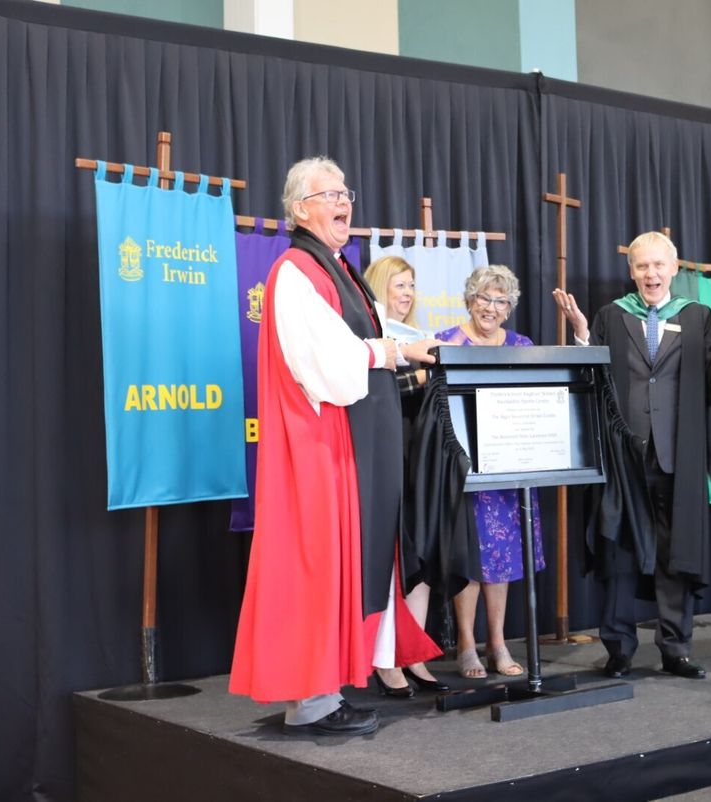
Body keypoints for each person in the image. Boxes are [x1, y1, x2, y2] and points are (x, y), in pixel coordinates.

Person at [229, 157, 443, 735]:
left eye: (347, 192)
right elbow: (326, 362)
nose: (345, 202)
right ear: (301, 209)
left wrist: (396, 349)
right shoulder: (297, 271)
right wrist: (392, 351)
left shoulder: (336, 267)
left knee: (336, 568)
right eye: (331, 195)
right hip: (317, 446)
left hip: (342, 442)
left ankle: (326, 693)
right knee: (315, 568)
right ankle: (312, 702)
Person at [552, 231, 711, 680]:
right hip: (623, 455)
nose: (650, 274)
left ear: (674, 268)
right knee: (618, 550)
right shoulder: (612, 315)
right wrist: (581, 334)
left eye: (658, 265)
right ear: (631, 271)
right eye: (642, 266)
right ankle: (619, 649)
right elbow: (590, 374)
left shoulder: (696, 317)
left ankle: (676, 648)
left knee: (677, 553)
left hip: (677, 455)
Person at [435, 265, 545, 679]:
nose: (491, 307)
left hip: (509, 465)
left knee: (503, 558)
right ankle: (466, 644)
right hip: (463, 467)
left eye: (501, 301)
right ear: (469, 300)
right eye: (484, 298)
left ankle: (497, 642)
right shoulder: (446, 341)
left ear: (509, 308)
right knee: (469, 558)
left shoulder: (522, 345)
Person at [363, 255, 450, 694]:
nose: (408, 294)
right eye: (400, 285)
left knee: (419, 552)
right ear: (380, 287)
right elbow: (370, 391)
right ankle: (385, 658)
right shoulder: (367, 338)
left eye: (412, 286)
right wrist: (418, 376)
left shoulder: (417, 336)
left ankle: (412, 651)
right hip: (384, 457)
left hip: (419, 456)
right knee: (390, 556)